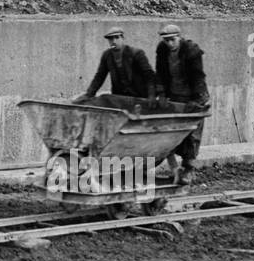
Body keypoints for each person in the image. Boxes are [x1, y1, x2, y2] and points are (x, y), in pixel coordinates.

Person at [154, 23, 210, 184]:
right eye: (166, 41)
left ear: (179, 37)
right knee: (170, 133)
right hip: (174, 96)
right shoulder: (162, 49)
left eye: (172, 40)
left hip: (194, 96)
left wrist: (196, 100)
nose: (170, 44)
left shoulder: (191, 50)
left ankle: (189, 169)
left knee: (192, 134)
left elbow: (198, 76)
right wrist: (162, 94)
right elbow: (160, 73)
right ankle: (174, 168)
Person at [73, 27, 157, 102]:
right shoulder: (107, 55)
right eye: (111, 39)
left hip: (139, 96)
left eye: (117, 38)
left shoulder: (136, 53)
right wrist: (89, 94)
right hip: (120, 97)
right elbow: (100, 76)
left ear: (123, 38)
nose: (114, 41)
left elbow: (149, 75)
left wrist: (151, 95)